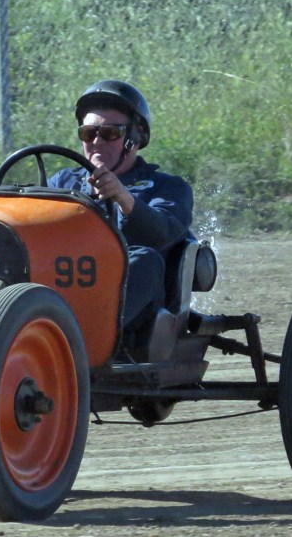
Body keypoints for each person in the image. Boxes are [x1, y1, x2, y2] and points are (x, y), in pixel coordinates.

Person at [48, 79, 193, 348]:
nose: (96, 141)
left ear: (134, 139)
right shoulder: (62, 183)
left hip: (135, 307)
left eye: (110, 133)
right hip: (64, 281)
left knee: (145, 260)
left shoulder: (167, 187)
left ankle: (75, 345)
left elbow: (163, 232)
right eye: (88, 133)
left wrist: (124, 199)